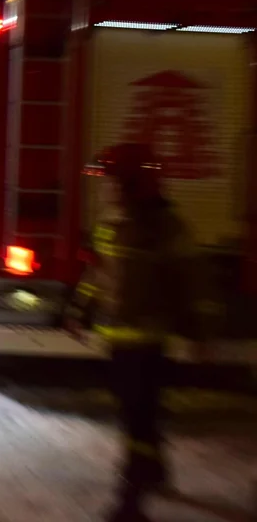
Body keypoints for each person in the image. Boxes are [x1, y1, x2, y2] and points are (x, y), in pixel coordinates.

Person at [63, 142, 222, 522]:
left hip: (149, 339)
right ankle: (153, 470)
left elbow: (193, 283)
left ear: (134, 184)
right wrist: (78, 310)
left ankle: (130, 499)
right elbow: (97, 273)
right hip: (117, 337)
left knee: (137, 416)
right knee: (139, 413)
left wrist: (201, 332)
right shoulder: (111, 222)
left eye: (112, 181)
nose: (105, 188)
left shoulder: (166, 228)